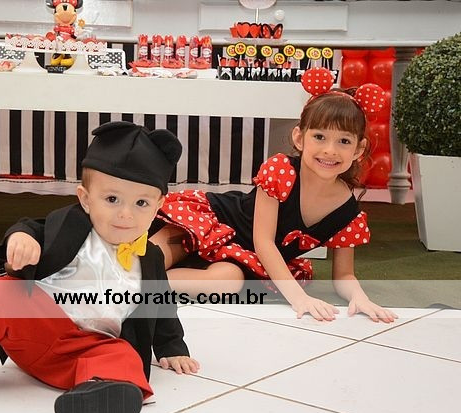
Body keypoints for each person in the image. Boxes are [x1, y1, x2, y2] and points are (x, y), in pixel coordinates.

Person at [0, 121, 199, 413]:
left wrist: (171, 347)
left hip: (91, 346)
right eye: (112, 199)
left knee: (124, 357)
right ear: (86, 199)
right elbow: (32, 226)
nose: (126, 214)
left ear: (158, 206)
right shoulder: (71, 223)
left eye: (141, 203)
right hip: (37, 329)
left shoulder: (150, 257)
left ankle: (99, 389)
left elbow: (161, 305)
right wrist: (22, 239)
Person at [150, 70, 398, 324]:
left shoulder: (348, 213)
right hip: (215, 221)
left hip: (246, 258)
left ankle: (142, 287)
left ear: (359, 149)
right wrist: (298, 298)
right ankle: (133, 271)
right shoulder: (281, 171)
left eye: (344, 141)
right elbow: (264, 241)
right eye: (319, 137)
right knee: (159, 250)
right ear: (299, 138)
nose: (329, 150)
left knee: (226, 283)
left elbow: (344, 275)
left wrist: (359, 297)